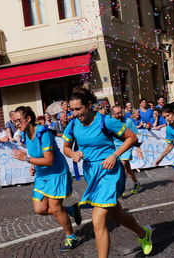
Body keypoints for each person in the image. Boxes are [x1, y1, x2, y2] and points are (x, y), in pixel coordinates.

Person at [62, 89, 153, 257]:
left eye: (78, 109)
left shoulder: (106, 121)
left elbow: (131, 137)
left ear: (89, 105)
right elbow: (66, 148)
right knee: (116, 214)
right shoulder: (73, 125)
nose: (74, 114)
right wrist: (73, 154)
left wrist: (114, 155)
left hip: (110, 171)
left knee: (98, 221)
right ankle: (143, 233)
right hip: (91, 173)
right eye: (72, 110)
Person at [11, 106, 81, 252]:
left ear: (28, 119)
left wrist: (27, 159)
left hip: (56, 173)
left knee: (55, 208)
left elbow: (49, 160)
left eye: (18, 121)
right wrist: (33, 165)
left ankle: (71, 237)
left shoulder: (43, 133)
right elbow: (37, 156)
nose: (16, 125)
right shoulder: (25, 135)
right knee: (40, 209)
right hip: (42, 175)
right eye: (14, 122)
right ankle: (71, 210)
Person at [111, 105, 143, 196]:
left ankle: (121, 189)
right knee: (128, 169)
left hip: (127, 147)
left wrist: (138, 148)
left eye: (121, 112)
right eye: (117, 113)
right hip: (115, 148)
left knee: (123, 165)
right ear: (113, 114)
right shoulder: (111, 122)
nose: (120, 114)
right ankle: (137, 184)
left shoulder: (128, 121)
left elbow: (135, 136)